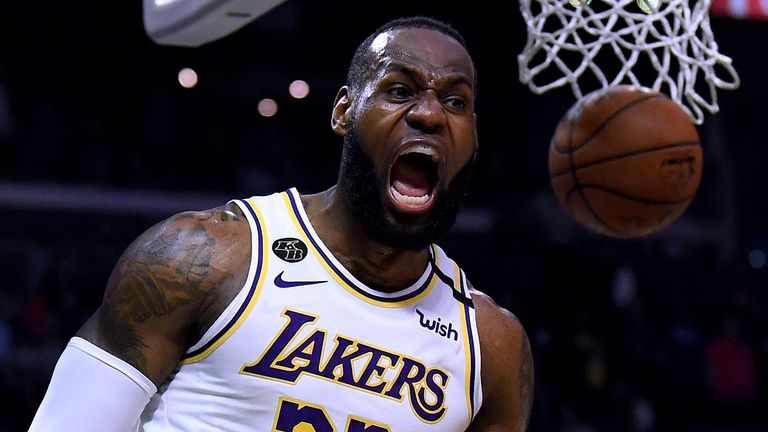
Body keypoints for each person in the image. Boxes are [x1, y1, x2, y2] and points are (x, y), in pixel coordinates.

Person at [29, 16, 533, 431]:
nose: (429, 113)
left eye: (455, 101)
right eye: (399, 90)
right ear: (343, 112)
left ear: (472, 137)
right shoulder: (203, 256)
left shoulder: (491, 346)